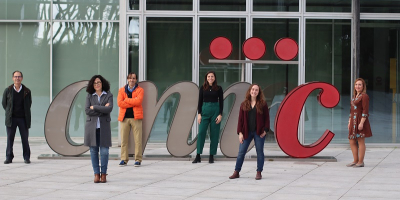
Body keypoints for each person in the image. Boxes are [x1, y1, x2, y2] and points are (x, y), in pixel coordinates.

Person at [229, 84, 270, 180]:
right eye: (253, 89)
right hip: (246, 132)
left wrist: (265, 130)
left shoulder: (263, 104)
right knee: (241, 152)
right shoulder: (244, 104)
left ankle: (259, 172)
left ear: (258, 92)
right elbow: (240, 120)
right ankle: (236, 172)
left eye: (256, 90)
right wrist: (240, 133)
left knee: (260, 152)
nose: (254, 91)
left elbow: (267, 118)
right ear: (250, 91)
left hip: (259, 132)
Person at [84, 75, 113, 183]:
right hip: (92, 127)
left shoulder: (108, 95)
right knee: (93, 151)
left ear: (102, 83)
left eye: (99, 82)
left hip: (104, 127)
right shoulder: (89, 96)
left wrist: (95, 107)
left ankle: (104, 174)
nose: (97, 84)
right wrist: (102, 109)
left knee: (104, 151)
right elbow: (87, 110)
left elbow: (109, 109)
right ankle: (96, 174)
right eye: (95, 83)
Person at [192, 71, 223, 164]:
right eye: (209, 76)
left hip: (215, 111)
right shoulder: (203, 88)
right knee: (201, 132)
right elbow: (199, 102)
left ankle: (211, 155)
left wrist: (220, 114)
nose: (210, 78)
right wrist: (199, 114)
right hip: (204, 111)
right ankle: (198, 155)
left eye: (212, 76)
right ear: (206, 78)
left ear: (215, 78)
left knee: (214, 133)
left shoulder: (218, 88)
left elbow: (221, 102)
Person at [2, 71, 32, 164]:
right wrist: (9, 112)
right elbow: (4, 104)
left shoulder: (27, 91)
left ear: (22, 78)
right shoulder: (8, 90)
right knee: (10, 139)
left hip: (23, 118)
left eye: (19, 77)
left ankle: (26, 157)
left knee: (25, 139)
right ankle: (9, 157)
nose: (17, 78)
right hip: (11, 119)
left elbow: (29, 104)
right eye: (15, 76)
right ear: (12, 78)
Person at [118, 72, 144, 167]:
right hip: (124, 118)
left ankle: (138, 159)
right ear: (127, 79)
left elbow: (139, 101)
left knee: (138, 140)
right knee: (124, 140)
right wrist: (133, 101)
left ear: (136, 80)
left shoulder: (140, 90)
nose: (131, 80)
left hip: (136, 118)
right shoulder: (121, 90)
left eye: (133, 78)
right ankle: (124, 159)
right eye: (130, 78)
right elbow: (120, 103)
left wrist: (127, 100)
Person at [347, 78, 372, 168]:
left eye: (360, 85)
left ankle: (361, 162)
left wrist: (361, 123)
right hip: (353, 121)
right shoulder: (354, 97)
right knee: (351, 140)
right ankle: (355, 160)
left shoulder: (364, 96)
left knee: (360, 141)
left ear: (363, 86)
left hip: (360, 120)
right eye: (356, 84)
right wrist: (349, 122)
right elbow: (351, 110)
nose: (357, 86)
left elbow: (365, 110)